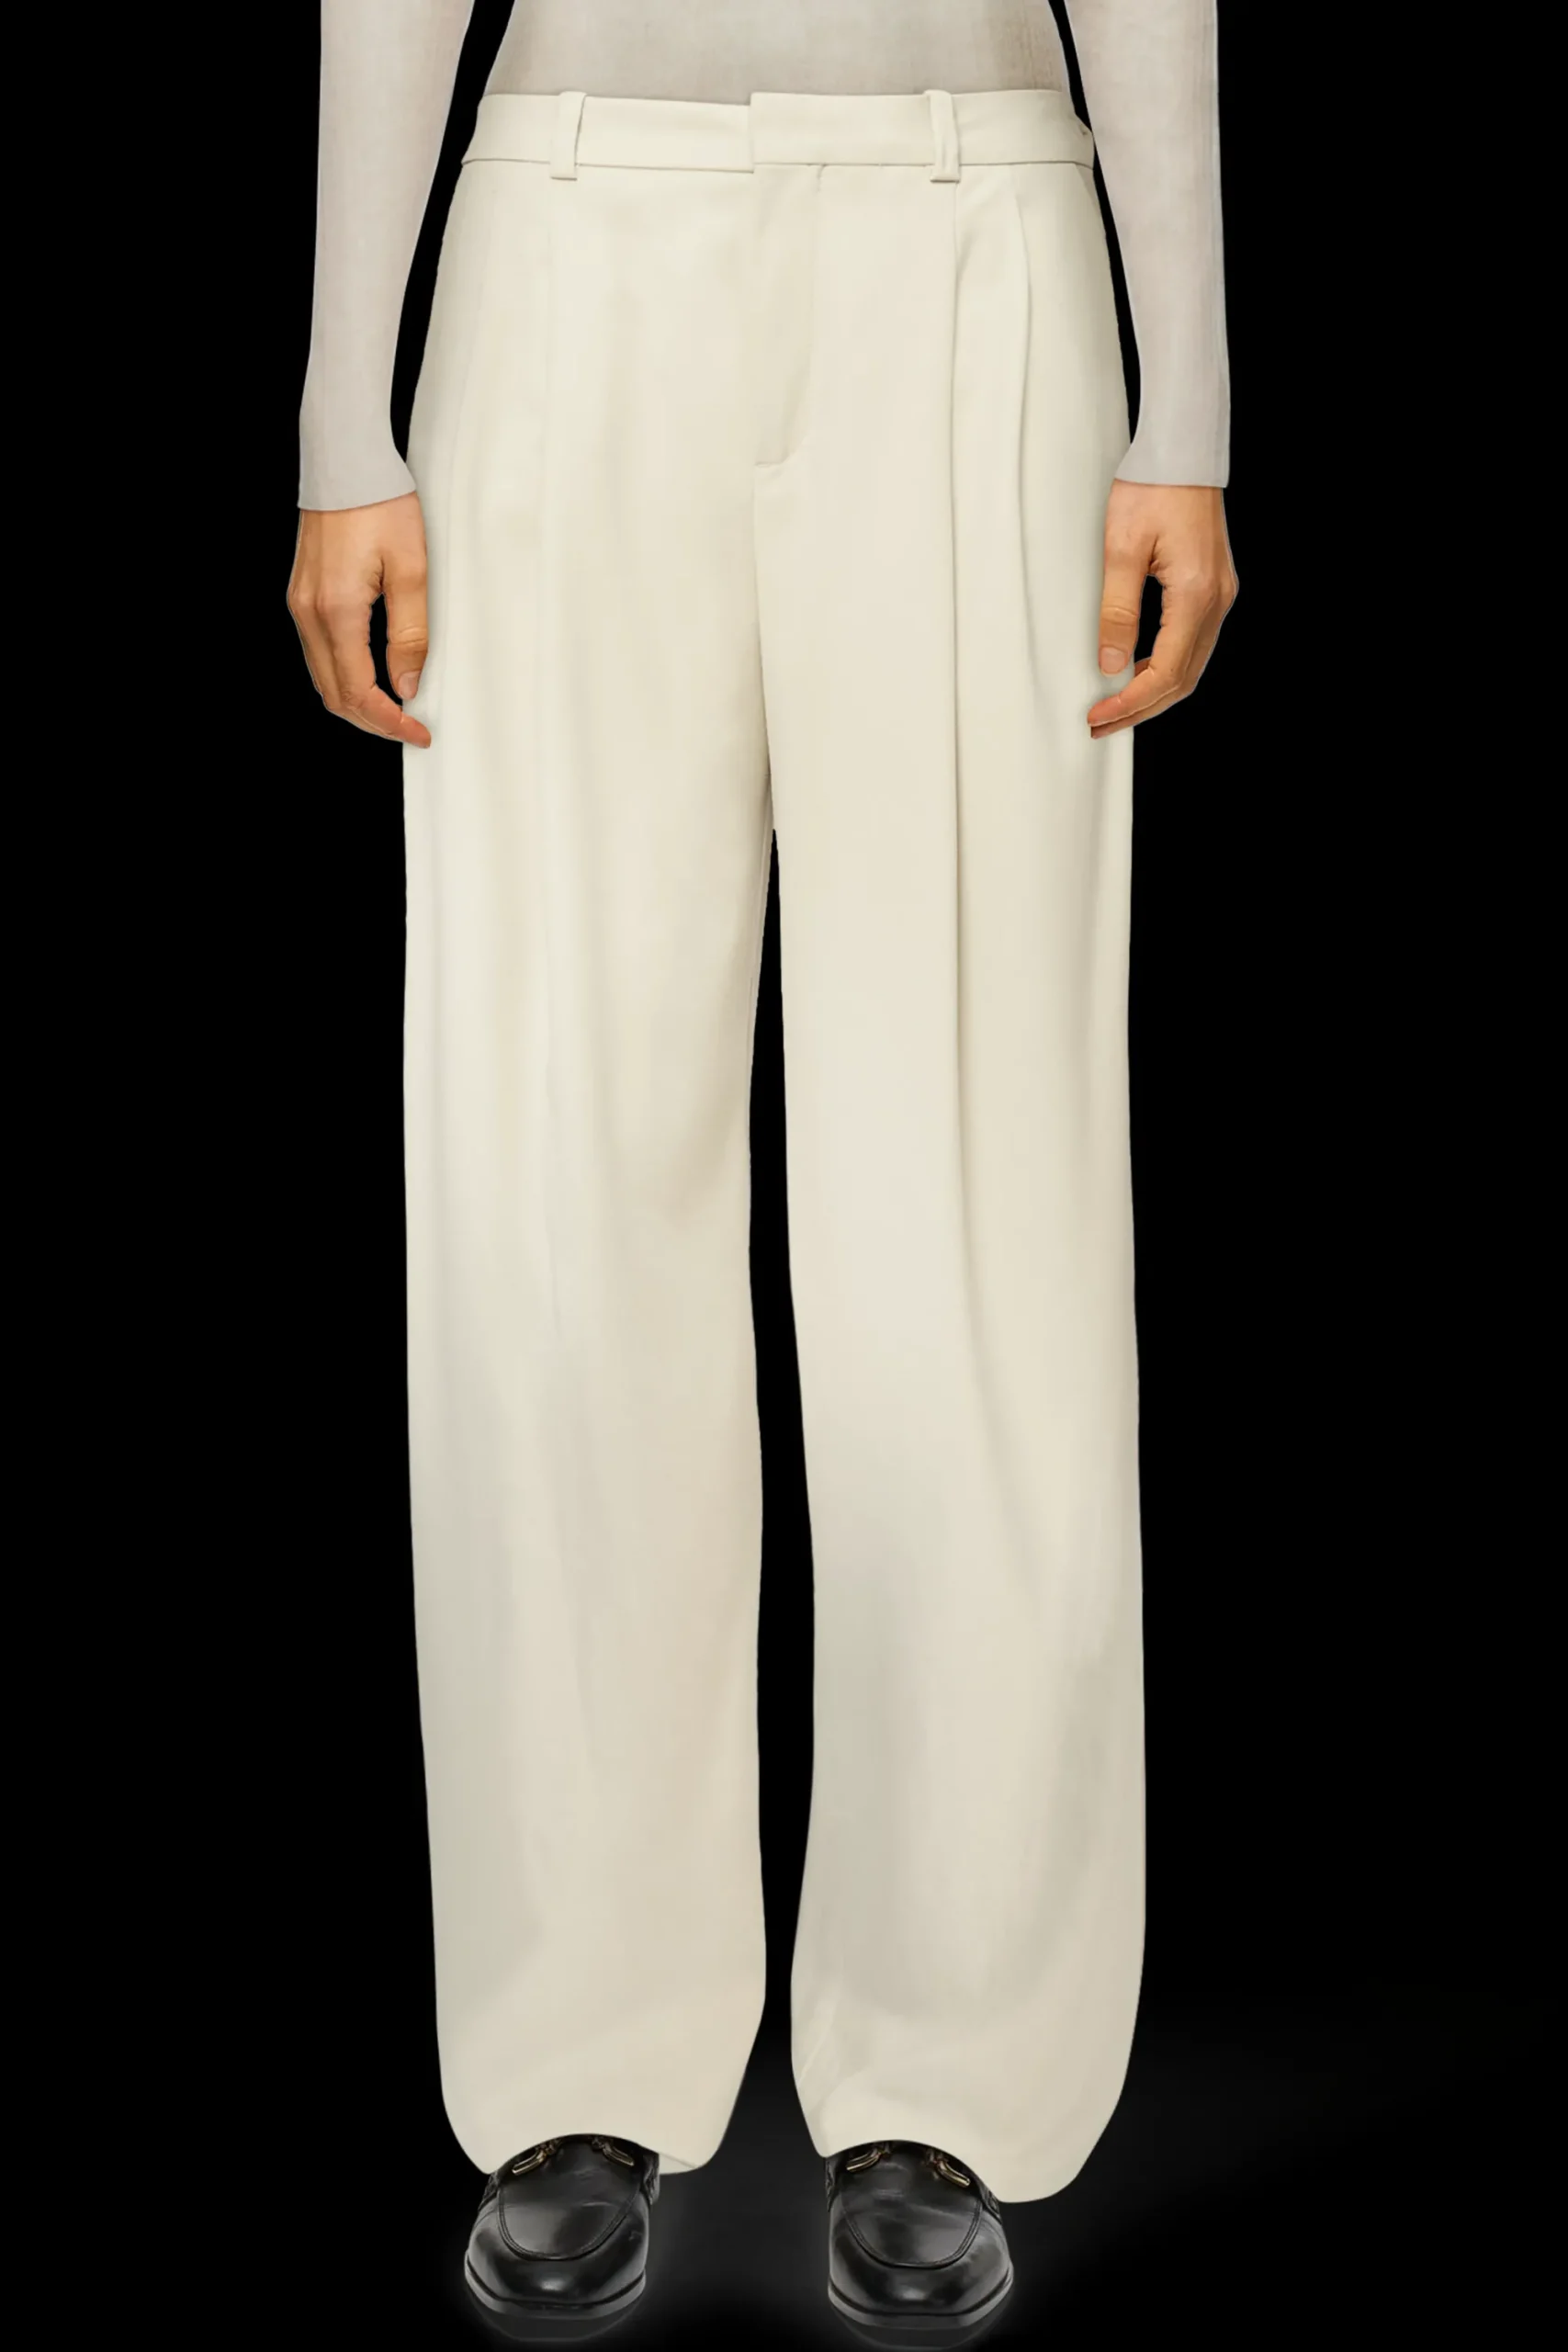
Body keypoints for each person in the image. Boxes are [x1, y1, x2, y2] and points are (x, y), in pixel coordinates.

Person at [287, 4, 1238, 2342]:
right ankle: (575, 2052)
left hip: (978, 221)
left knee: (975, 1189)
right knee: (555, 1169)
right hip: (567, 225)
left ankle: (948, 2063)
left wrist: (1185, 403)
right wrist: (343, 412)